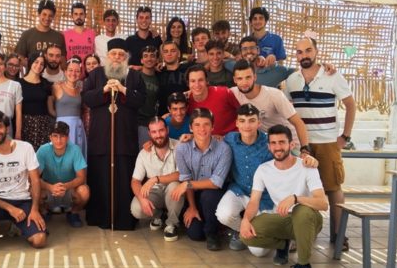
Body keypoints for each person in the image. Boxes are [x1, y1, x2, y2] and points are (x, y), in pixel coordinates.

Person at [284, 37, 356, 249]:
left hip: (327, 143)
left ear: (316, 51)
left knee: (333, 188)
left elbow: (351, 105)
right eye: (299, 52)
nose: (304, 55)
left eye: (308, 50)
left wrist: (345, 136)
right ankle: (304, 233)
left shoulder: (332, 76)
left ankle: (339, 235)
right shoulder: (292, 80)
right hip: (301, 144)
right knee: (302, 190)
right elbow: (286, 108)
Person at [216, 104, 318, 251]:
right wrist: (191, 136)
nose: (247, 125)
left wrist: (308, 159)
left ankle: (276, 239)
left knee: (259, 252)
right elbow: (210, 140)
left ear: (259, 123)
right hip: (239, 190)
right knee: (223, 214)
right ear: (237, 123)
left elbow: (288, 157)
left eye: (252, 121)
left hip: (263, 197)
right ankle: (242, 231)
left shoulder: (269, 143)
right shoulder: (230, 139)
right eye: (242, 121)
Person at [240, 125, 328, 268]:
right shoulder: (263, 170)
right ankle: (284, 244)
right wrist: (245, 220)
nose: (278, 147)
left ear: (291, 144)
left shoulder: (306, 167)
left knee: (302, 211)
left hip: (309, 220)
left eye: (282, 142)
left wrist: (295, 198)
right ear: (269, 146)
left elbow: (323, 204)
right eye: (273, 143)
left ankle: (304, 266)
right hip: (284, 219)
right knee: (246, 233)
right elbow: (254, 201)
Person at [83, 37, 146, 229]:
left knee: (123, 177)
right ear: (107, 56)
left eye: (121, 54)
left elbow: (141, 100)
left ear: (126, 57)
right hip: (101, 138)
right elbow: (86, 98)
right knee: (100, 178)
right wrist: (103, 90)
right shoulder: (95, 74)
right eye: (113, 54)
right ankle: (100, 218)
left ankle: (124, 220)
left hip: (124, 138)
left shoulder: (134, 76)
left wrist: (123, 89)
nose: (117, 57)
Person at [0, 111, 47, 247]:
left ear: (7, 128)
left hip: (22, 201)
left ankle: (16, 225)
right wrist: (10, 208)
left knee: (39, 241)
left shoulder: (26, 148)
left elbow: (35, 181)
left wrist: (35, 209)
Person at [172, 108, 232, 250]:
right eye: (197, 125)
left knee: (208, 196)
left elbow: (216, 183)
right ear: (190, 128)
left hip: (216, 193)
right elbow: (186, 178)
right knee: (195, 234)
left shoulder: (224, 149)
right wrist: (192, 207)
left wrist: (188, 184)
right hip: (195, 193)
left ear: (212, 127)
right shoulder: (182, 149)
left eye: (206, 124)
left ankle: (212, 233)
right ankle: (210, 222)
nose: (202, 129)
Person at [231, 60, 310, 151]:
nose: (244, 82)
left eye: (248, 77)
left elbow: (298, 122)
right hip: (269, 145)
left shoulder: (274, 95)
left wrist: (304, 149)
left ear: (255, 77)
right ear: (235, 80)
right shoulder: (233, 93)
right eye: (240, 78)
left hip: (291, 144)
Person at [131, 118, 183, 241]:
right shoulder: (144, 153)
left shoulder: (179, 147)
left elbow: (181, 174)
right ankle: (159, 215)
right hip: (155, 192)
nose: (158, 135)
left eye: (161, 130)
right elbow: (135, 181)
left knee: (175, 186)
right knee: (136, 209)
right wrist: (142, 199)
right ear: (149, 134)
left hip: (172, 190)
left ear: (167, 130)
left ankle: (172, 224)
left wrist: (156, 179)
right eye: (154, 132)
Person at [36, 121, 89, 227]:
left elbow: (82, 178)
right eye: (55, 136)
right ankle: (44, 212)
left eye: (62, 136)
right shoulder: (43, 150)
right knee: (31, 190)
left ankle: (73, 213)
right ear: (50, 137)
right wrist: (50, 187)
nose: (59, 140)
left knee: (84, 191)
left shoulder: (75, 150)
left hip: (69, 189)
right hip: (48, 188)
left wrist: (65, 186)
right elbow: (33, 178)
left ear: (68, 137)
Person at [186, 64, 240, 137]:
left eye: (200, 80)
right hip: (207, 141)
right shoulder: (186, 101)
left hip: (234, 138)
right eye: (193, 81)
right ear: (188, 84)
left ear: (207, 81)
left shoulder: (223, 93)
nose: (197, 84)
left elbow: (243, 113)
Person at [19, 52, 55, 150]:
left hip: (43, 125)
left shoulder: (46, 84)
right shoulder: (19, 84)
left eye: (42, 64)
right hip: (25, 124)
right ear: (31, 62)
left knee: (42, 154)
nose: (39, 65)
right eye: (36, 62)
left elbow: (50, 110)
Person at [52, 58, 87, 157]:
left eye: (77, 71)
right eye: (70, 70)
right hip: (62, 126)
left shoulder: (80, 89)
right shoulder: (56, 87)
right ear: (65, 71)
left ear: (80, 73)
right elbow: (49, 105)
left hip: (77, 126)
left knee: (78, 155)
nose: (73, 73)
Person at [15, 0, 66, 65]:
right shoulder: (27, 35)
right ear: (39, 14)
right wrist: (30, 65)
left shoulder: (58, 37)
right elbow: (19, 56)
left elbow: (62, 60)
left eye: (50, 16)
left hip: (52, 71)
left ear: (53, 17)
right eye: (44, 14)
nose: (47, 18)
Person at [156, 41, 192, 115]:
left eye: (172, 51)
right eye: (166, 51)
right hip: (164, 116)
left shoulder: (188, 70)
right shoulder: (158, 72)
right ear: (162, 55)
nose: (169, 54)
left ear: (179, 54)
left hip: (185, 115)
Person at [137, 46, 160, 148]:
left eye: (152, 56)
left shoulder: (159, 78)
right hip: (135, 121)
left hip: (149, 122)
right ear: (141, 60)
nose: (149, 59)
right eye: (145, 56)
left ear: (157, 59)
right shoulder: (135, 76)